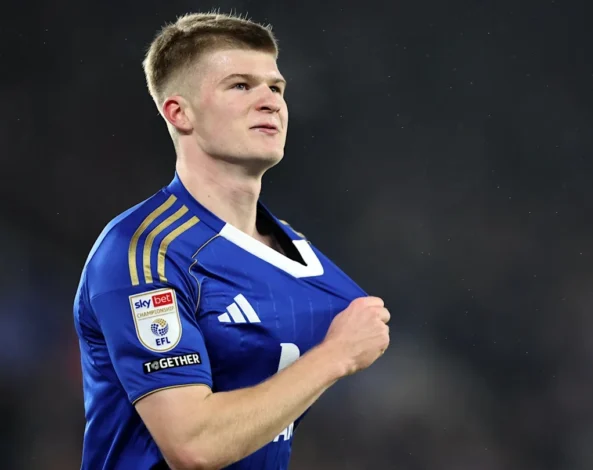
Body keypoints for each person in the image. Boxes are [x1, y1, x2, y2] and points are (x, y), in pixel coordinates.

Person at [73, 11, 391, 470]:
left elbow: (365, 324)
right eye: (241, 86)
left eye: (276, 88)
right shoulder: (143, 252)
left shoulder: (296, 255)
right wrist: (335, 356)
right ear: (178, 112)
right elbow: (192, 446)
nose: (270, 102)